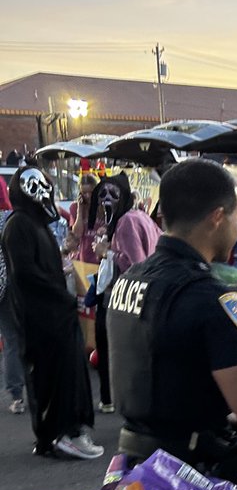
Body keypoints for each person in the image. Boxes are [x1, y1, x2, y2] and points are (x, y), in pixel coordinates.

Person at [107, 156, 237, 483]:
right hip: (191, 480)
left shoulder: (129, 279)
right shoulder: (210, 298)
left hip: (133, 468)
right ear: (218, 217)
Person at [1, 164, 103, 458]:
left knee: (64, 372)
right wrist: (59, 296)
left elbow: (36, 265)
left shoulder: (32, 223)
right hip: (43, 320)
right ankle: (62, 433)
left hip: (54, 316)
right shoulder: (19, 224)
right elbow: (25, 274)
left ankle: (60, 434)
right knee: (53, 376)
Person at [91, 171, 161, 413]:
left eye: (112, 194)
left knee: (115, 346)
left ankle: (115, 400)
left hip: (131, 297)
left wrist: (106, 253)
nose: (105, 200)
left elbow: (136, 263)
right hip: (144, 296)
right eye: (102, 195)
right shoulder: (136, 217)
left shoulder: (127, 221)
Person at [0, 183, 26, 414]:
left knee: (9, 339)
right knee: (18, 337)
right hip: (12, 284)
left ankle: (16, 395)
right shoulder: (10, 218)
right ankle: (21, 393)